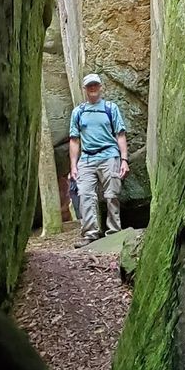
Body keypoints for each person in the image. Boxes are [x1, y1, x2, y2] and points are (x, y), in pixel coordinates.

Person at [69, 73, 130, 248]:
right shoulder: (78, 112)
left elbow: (120, 134)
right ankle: (90, 235)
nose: (93, 88)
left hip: (109, 156)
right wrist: (73, 165)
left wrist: (124, 160)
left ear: (101, 87)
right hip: (87, 158)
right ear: (85, 89)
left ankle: (114, 234)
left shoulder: (110, 108)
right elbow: (74, 140)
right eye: (89, 86)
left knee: (112, 195)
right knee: (85, 195)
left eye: (95, 85)